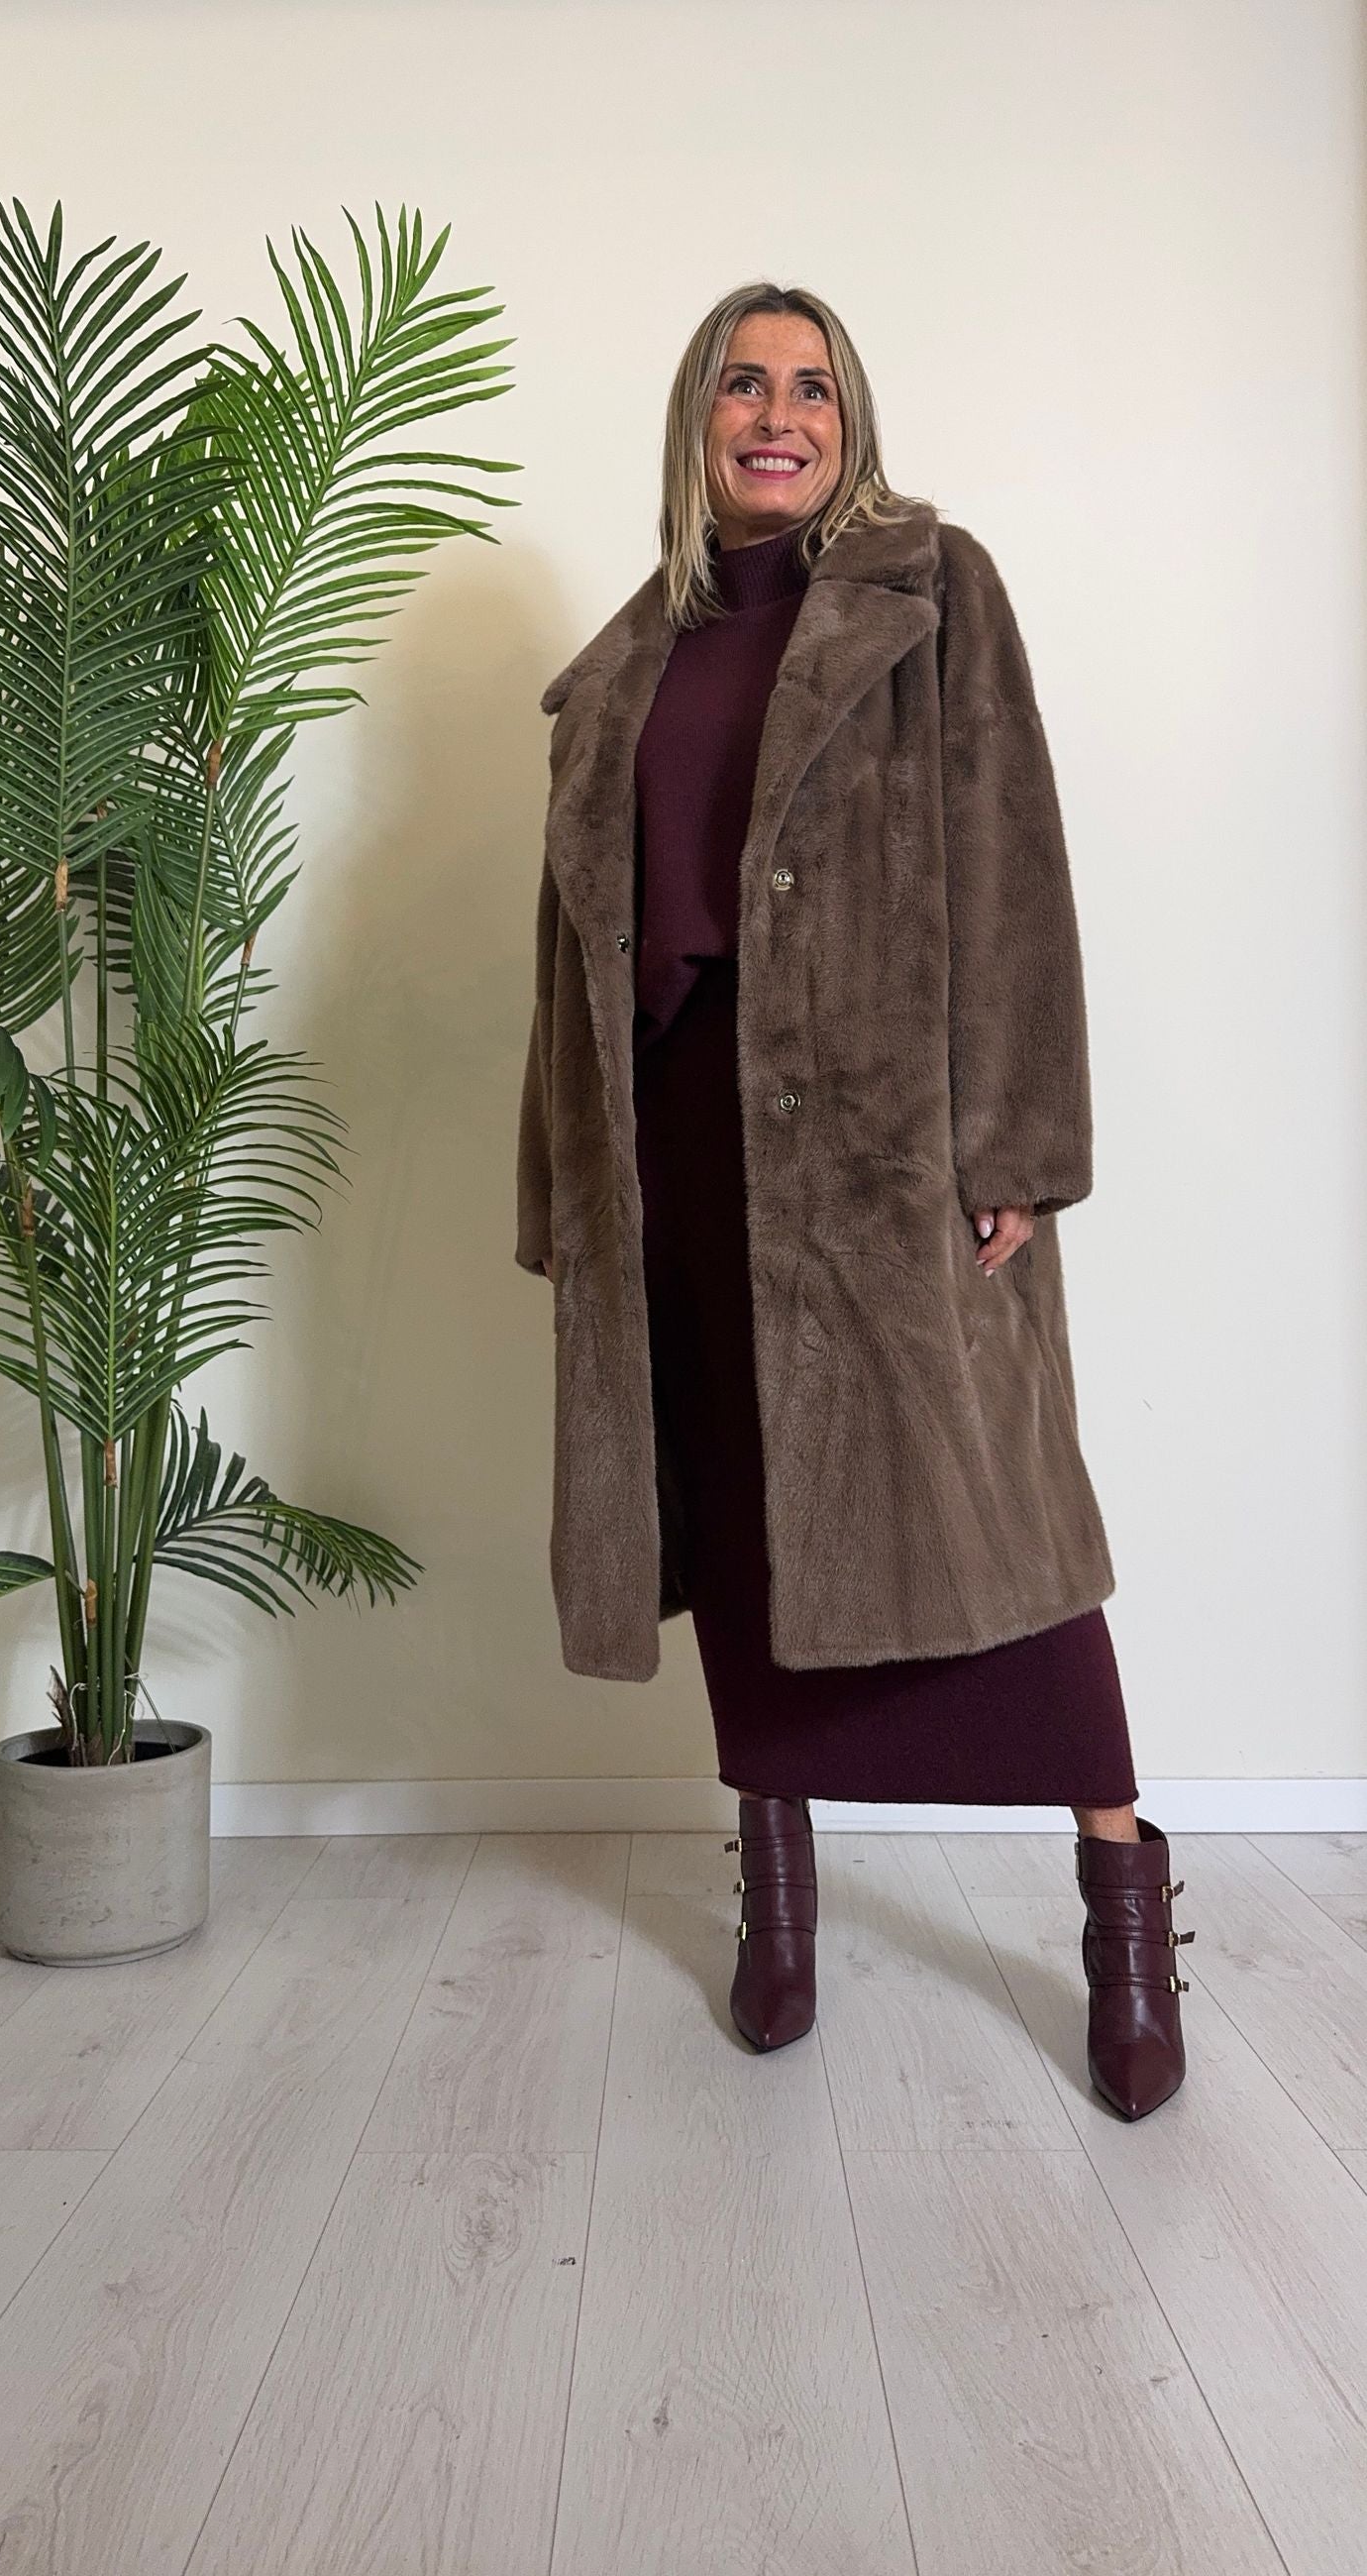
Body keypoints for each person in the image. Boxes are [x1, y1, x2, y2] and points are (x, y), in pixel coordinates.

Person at [516, 280, 1193, 2120]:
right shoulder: (622, 665)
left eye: (812, 387)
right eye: (745, 383)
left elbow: (1015, 857)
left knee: (998, 1528)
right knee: (745, 1524)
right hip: (680, 1143)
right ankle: (781, 1891)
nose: (779, 413)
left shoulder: (931, 590)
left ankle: (1125, 1909)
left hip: (881, 1146)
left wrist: (1018, 1140)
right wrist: (566, 1186)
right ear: (697, 418)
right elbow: (572, 959)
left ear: (851, 421)